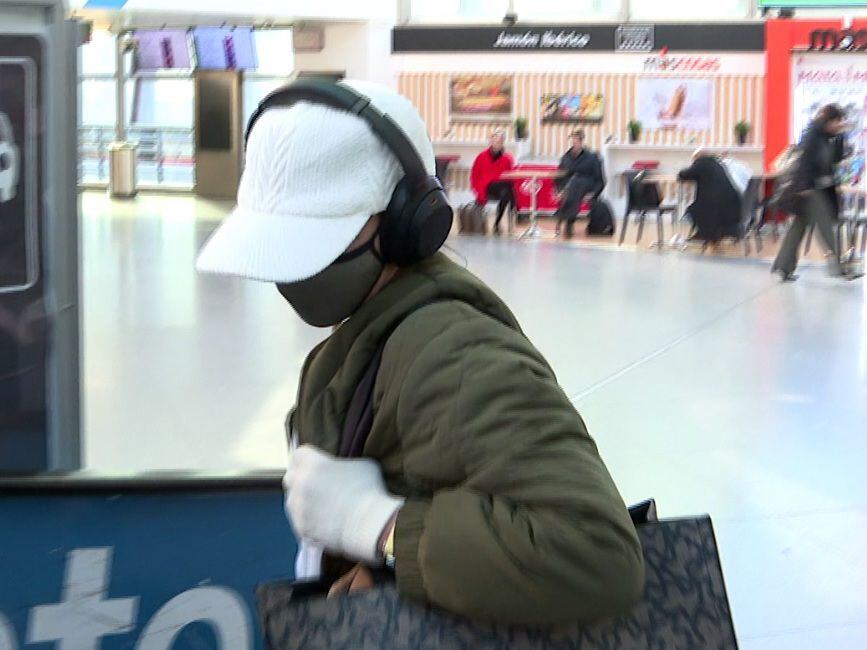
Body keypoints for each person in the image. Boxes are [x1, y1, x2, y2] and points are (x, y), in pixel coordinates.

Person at [197, 80, 644, 626]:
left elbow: (598, 553)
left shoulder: (456, 353)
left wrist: (381, 527)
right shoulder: (369, 334)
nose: (293, 274)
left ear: (410, 219)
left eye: (323, 234)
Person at [772, 103, 861, 281]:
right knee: (827, 227)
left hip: (820, 189)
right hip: (810, 190)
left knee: (798, 228)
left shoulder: (828, 137)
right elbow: (804, 164)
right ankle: (840, 269)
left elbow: (837, 158)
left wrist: (841, 135)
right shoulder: (812, 137)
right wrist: (804, 187)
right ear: (828, 120)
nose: (838, 124)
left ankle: (783, 267)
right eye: (837, 121)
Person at [677, 150, 748, 243]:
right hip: (732, 201)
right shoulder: (717, 163)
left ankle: (707, 234)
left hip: (716, 203)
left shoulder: (702, 162)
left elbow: (685, 174)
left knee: (692, 210)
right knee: (699, 208)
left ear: (697, 158)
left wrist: (680, 171)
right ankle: (706, 233)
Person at [553, 129, 605, 238]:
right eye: (572, 141)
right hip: (570, 188)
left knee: (577, 182)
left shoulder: (592, 157)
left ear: (582, 141)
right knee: (573, 183)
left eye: (576, 141)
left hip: (587, 186)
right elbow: (559, 176)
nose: (574, 144)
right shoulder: (566, 157)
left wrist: (593, 194)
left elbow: (601, 180)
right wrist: (558, 191)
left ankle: (563, 217)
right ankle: (569, 221)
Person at [469, 130, 515, 234]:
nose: (497, 143)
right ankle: (513, 213)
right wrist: (476, 190)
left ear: (503, 142)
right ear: (491, 141)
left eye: (499, 141)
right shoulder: (482, 156)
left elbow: (511, 176)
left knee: (506, 192)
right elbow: (474, 175)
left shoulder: (507, 158)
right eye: (495, 140)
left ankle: (497, 222)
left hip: (502, 188)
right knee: (508, 191)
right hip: (487, 187)